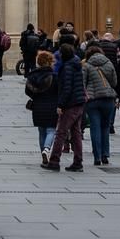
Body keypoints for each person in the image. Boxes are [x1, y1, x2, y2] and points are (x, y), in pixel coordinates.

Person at [42, 43, 86, 172]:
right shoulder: (76, 64)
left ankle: (54, 161)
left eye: (60, 53)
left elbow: (67, 88)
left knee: (61, 132)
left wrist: (61, 104)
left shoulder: (67, 67)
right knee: (76, 133)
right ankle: (78, 162)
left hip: (70, 104)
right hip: (78, 102)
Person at [82, 45, 118, 166]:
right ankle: (105, 155)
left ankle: (97, 157)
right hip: (108, 99)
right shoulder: (109, 64)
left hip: (93, 100)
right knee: (106, 127)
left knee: (95, 127)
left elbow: (83, 83)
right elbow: (114, 82)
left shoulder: (86, 65)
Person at [25, 51, 59, 164]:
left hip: (38, 107)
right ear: (49, 62)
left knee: (42, 131)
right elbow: (59, 91)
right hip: (52, 106)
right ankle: (47, 149)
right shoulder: (54, 76)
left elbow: (28, 91)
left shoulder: (32, 75)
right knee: (51, 130)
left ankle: (43, 156)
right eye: (52, 61)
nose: (54, 64)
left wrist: (36, 96)